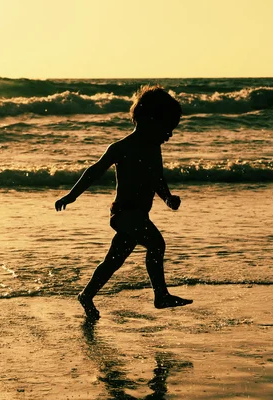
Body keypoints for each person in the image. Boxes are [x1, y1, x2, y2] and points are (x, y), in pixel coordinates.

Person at [55, 85, 192, 320]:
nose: (169, 135)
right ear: (148, 119)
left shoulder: (153, 148)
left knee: (113, 261)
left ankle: (86, 295)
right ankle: (160, 295)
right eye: (166, 128)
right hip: (125, 213)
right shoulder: (122, 147)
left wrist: (167, 198)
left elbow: (157, 178)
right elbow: (94, 171)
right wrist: (71, 195)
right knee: (157, 245)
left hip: (139, 214)